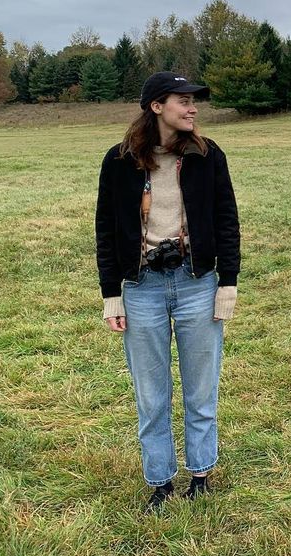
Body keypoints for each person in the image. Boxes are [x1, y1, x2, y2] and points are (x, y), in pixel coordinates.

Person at [95, 71, 240, 512]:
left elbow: (227, 221)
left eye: (194, 101)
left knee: (201, 390)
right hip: (142, 289)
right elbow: (105, 229)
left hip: (198, 285)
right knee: (151, 395)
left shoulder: (207, 155)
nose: (193, 108)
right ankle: (160, 483)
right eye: (183, 100)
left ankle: (201, 475)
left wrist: (227, 283)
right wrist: (112, 295)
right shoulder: (119, 160)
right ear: (157, 106)